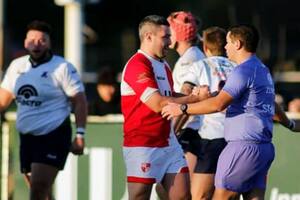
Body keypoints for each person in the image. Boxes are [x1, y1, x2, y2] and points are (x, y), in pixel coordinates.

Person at [162, 24, 299, 199]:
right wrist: (290, 124)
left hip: (242, 148)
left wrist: (182, 108)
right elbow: (270, 103)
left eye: (228, 42)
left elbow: (219, 105)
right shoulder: (262, 70)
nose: (225, 47)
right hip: (263, 149)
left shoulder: (242, 70)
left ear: (238, 44)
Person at [120, 15, 207, 200]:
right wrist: (193, 101)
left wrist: (197, 97)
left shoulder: (163, 64)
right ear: (148, 37)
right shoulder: (138, 64)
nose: (170, 41)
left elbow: (169, 95)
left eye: (170, 36)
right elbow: (158, 104)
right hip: (143, 145)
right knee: (139, 197)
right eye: (165, 37)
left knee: (183, 197)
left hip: (169, 143)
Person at [0, 20, 87, 200]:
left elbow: (80, 101)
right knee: (40, 191)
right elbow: (3, 100)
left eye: (42, 40)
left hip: (53, 135)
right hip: (26, 138)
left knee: (38, 188)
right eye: (32, 40)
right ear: (25, 42)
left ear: (49, 43)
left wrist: (79, 135)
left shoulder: (62, 67)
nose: (37, 44)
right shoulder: (17, 66)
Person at [181, 26, 235, 199]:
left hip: (212, 138)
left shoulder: (200, 66)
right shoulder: (237, 67)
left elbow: (185, 92)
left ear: (205, 48)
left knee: (199, 196)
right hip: (235, 138)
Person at [167, 10, 205, 176]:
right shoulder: (191, 56)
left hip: (191, 130)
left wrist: (172, 133)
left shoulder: (189, 61)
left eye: (169, 30)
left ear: (179, 34)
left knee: (177, 189)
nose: (166, 35)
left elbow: (186, 99)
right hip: (192, 129)